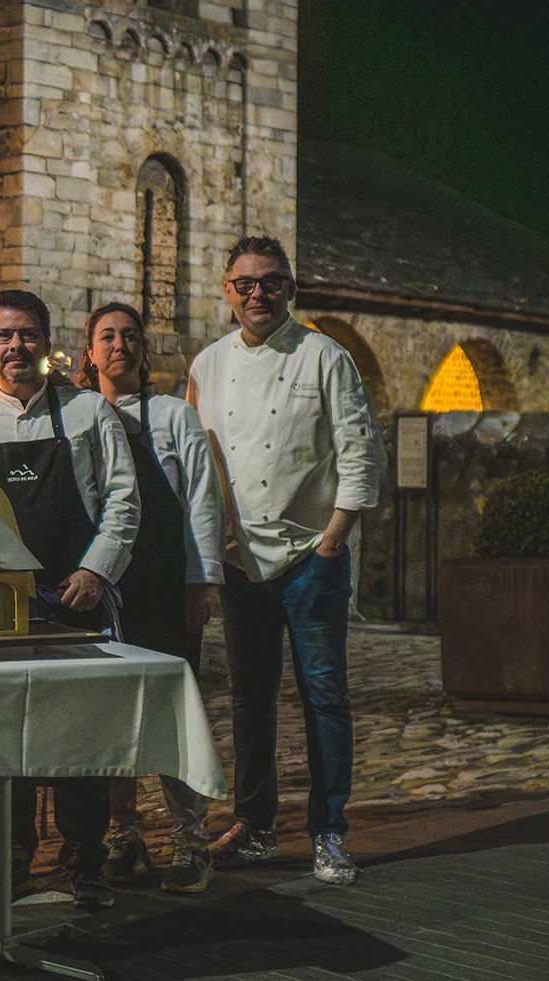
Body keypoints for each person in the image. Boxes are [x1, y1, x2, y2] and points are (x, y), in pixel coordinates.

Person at [187, 237, 385, 886]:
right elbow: (196, 466)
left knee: (324, 695)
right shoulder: (207, 365)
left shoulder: (327, 357)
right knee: (250, 698)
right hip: (243, 562)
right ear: (227, 290)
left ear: (291, 290)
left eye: (271, 283)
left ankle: (329, 831)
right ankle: (256, 825)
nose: (257, 294)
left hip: (309, 557)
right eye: (245, 284)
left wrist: (332, 540)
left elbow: (360, 454)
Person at [0, 289, 141, 909]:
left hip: (74, 600)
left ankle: (85, 860)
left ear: (47, 345)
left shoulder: (87, 414)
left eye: (27, 335)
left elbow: (123, 504)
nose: (16, 347)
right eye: (4, 336)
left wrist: (95, 572)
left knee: (81, 737)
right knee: (5, 734)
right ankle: (11, 856)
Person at [75, 303, 226, 894]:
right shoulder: (81, 415)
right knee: (110, 717)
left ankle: (191, 840)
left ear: (143, 350)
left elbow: (201, 502)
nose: (120, 345)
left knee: (171, 715)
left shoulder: (174, 416)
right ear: (90, 351)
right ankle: (123, 834)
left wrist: (201, 579)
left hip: (165, 587)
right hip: (108, 590)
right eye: (107, 336)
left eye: (130, 336)